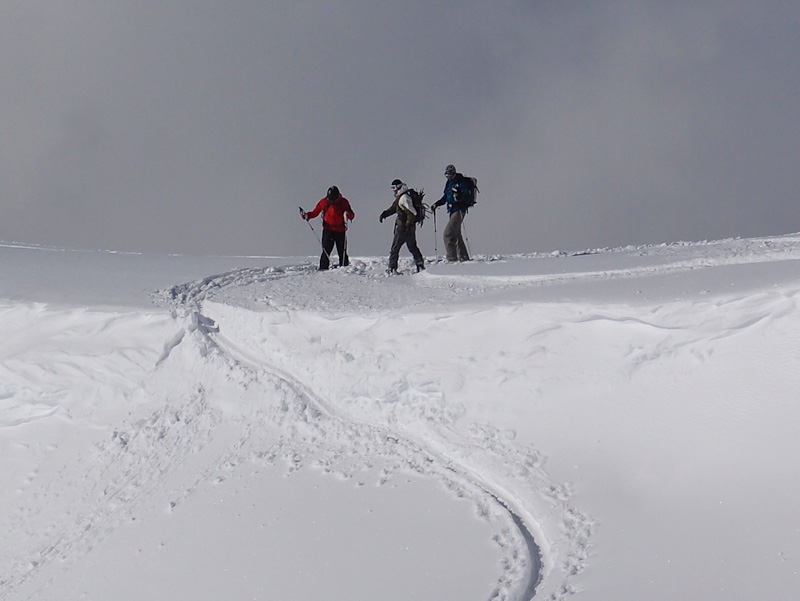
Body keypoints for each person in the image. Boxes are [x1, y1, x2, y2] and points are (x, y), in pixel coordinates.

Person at [300, 185, 355, 270]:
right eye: (330, 199)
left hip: (340, 231)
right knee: (326, 251)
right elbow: (315, 212)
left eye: (333, 200)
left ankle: (345, 270)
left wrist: (348, 215)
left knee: (342, 252)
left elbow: (352, 215)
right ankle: (323, 269)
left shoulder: (344, 202)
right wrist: (307, 216)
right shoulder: (324, 202)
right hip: (328, 230)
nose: (331, 201)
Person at [379, 179, 425, 274]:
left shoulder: (404, 197)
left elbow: (412, 212)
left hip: (403, 227)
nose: (393, 190)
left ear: (399, 187)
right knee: (412, 246)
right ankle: (420, 264)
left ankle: (392, 268)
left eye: (394, 188)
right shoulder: (402, 196)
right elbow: (394, 208)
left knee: (395, 248)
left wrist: (407, 225)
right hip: (409, 227)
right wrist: (385, 214)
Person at [430, 164, 473, 262]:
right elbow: (446, 196)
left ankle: (451, 258)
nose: (449, 177)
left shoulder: (461, 182)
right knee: (456, 233)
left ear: (454, 173)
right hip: (451, 210)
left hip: (459, 210)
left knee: (448, 234)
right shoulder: (449, 183)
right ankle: (463, 256)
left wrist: (460, 197)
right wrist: (437, 204)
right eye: (447, 175)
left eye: (450, 175)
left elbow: (467, 197)